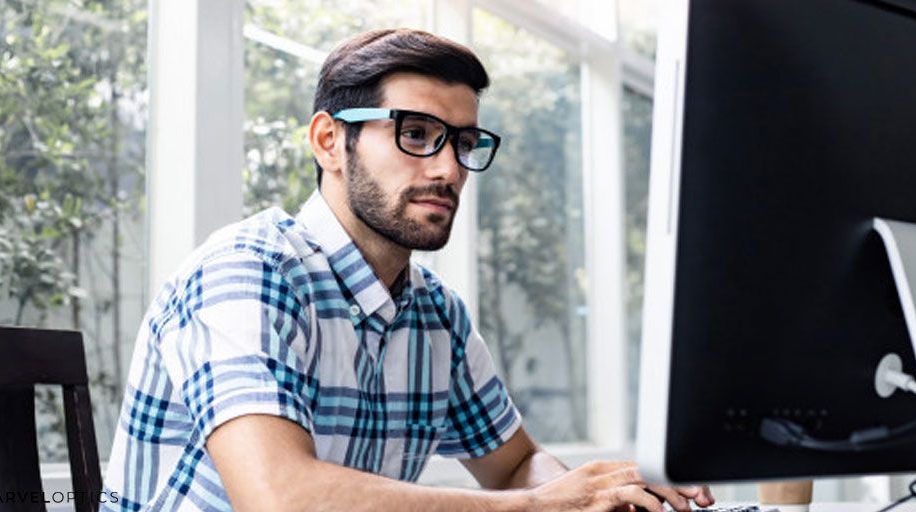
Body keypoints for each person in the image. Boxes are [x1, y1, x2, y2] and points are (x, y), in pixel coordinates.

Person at [102, 28, 714, 512]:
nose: (449, 169)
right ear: (328, 142)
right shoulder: (247, 271)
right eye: (416, 133)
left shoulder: (437, 315)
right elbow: (278, 497)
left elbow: (514, 465)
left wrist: (597, 496)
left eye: (464, 143)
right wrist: (539, 507)